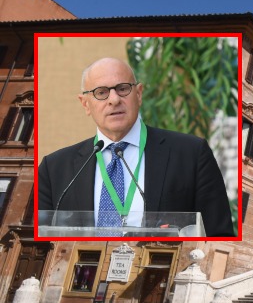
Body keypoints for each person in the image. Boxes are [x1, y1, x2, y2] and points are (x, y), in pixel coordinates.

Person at [38, 57, 234, 237]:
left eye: (122, 88)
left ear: (138, 94)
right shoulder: (54, 169)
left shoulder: (191, 153)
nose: (114, 99)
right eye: (101, 92)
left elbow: (220, 235)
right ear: (85, 104)